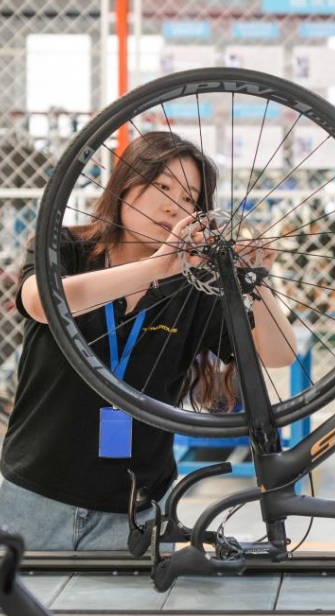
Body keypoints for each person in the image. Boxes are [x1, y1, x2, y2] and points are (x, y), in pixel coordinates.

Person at [0, 131, 297, 551]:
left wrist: (256, 281)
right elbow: (42, 303)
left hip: (135, 511)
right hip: (33, 495)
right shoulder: (64, 247)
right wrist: (159, 265)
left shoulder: (194, 286)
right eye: (161, 186)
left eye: (190, 198)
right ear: (125, 185)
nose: (172, 206)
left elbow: (279, 354)